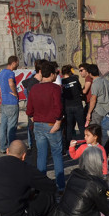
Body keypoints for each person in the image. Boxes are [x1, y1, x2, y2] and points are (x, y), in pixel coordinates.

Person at [0, 139, 55, 216]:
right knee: (48, 197)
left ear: (7, 151)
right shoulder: (26, 169)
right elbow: (51, 187)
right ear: (24, 156)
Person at [26, 60, 65, 190]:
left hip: (38, 124)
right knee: (57, 154)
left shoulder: (34, 88)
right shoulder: (55, 88)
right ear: (52, 74)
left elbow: (29, 110)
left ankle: (40, 185)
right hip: (52, 124)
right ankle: (60, 186)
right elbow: (58, 108)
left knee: (41, 155)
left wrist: (34, 120)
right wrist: (58, 122)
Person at [0, 57, 20, 152]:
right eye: (17, 63)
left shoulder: (2, 72)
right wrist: (15, 93)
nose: (18, 65)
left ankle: (3, 147)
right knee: (11, 127)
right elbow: (11, 83)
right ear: (14, 63)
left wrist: (3, 90)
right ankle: (11, 148)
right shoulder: (11, 73)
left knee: (3, 126)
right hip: (12, 102)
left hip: (4, 102)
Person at [60, 65, 85, 144]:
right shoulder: (75, 79)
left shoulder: (61, 82)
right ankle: (86, 143)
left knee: (69, 127)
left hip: (67, 107)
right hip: (78, 105)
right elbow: (80, 90)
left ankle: (68, 146)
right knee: (81, 126)